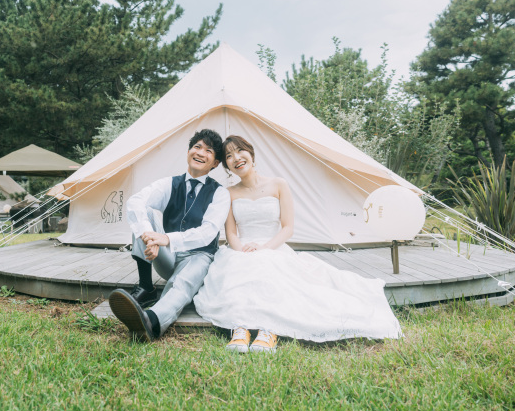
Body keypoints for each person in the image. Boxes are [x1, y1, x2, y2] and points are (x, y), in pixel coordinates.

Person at [193, 135, 402, 353]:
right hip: (241, 249)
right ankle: (240, 328)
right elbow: (231, 234)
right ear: (226, 165)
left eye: (239, 151)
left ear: (251, 153)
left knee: (269, 270)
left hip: (272, 246)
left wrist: (264, 249)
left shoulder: (278, 184)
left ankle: (268, 330)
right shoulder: (229, 193)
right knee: (241, 272)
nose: (235, 157)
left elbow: (287, 228)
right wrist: (242, 251)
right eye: (228, 156)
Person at [109, 129, 230, 340]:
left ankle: (151, 322)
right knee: (142, 212)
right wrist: (149, 235)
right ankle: (146, 287)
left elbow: (208, 232)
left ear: (216, 163)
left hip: (199, 257)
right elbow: (135, 201)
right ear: (189, 151)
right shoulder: (169, 184)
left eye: (209, 151)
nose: (201, 152)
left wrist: (167, 238)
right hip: (167, 258)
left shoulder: (220, 193)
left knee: (181, 284)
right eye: (197, 147)